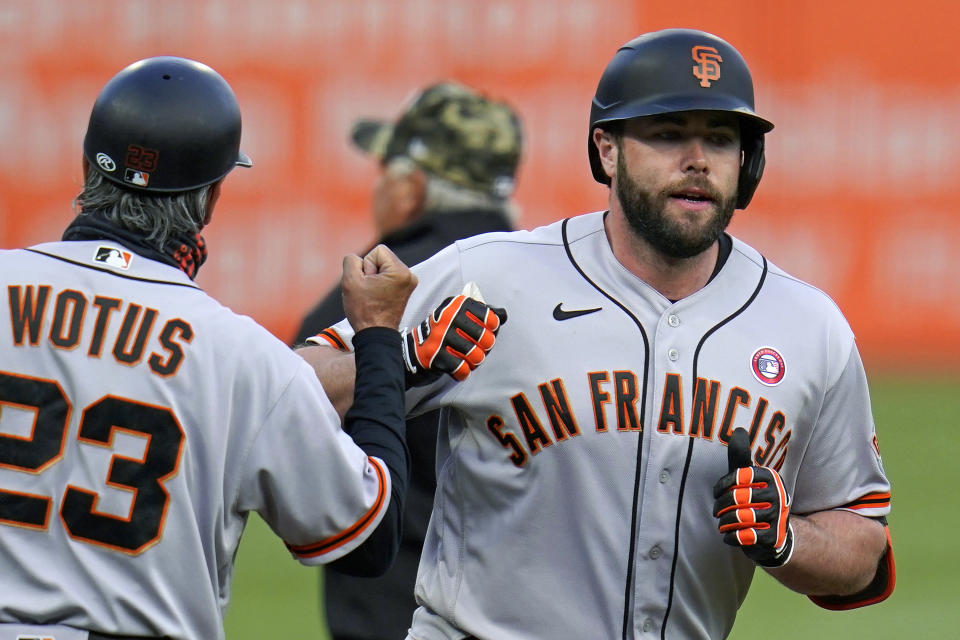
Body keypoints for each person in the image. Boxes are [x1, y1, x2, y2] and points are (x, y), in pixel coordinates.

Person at [299, 29, 895, 640]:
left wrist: (790, 541)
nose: (697, 159)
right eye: (667, 134)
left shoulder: (807, 325)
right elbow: (291, 391)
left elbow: (862, 545)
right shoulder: (490, 275)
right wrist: (395, 359)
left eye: (720, 138)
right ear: (607, 150)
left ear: (747, 162)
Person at [0, 56, 503, 640]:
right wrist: (381, 344)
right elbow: (367, 536)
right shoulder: (240, 356)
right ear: (212, 196)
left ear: (87, 164)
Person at [292, 81, 522, 640]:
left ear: (410, 189)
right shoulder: (550, 290)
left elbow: (285, 412)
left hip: (391, 612)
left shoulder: (374, 292)